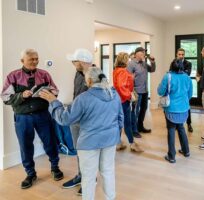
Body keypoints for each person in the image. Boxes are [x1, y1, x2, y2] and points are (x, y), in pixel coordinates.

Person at [40, 67, 123, 200]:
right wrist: (115, 135)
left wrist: (53, 101)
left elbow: (64, 119)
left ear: (89, 81)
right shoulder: (114, 94)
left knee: (88, 177)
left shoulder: (83, 98)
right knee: (108, 172)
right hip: (110, 140)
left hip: (89, 143)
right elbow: (120, 118)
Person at [1, 49, 64, 189]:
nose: (35, 61)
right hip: (22, 118)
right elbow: (5, 97)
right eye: (31, 59)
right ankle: (30, 174)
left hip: (42, 115)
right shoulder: (13, 76)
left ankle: (55, 167)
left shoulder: (44, 74)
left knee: (50, 142)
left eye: (36, 59)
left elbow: (55, 90)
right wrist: (21, 95)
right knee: (25, 146)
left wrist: (47, 92)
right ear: (22, 61)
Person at [62, 48, 93, 195]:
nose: (73, 63)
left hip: (88, 121)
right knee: (79, 150)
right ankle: (82, 175)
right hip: (76, 118)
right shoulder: (77, 74)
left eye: (75, 61)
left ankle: (89, 178)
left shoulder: (96, 75)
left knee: (88, 152)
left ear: (81, 62)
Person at [158, 59, 193, 163]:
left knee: (171, 129)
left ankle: (171, 156)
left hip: (171, 108)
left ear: (171, 66)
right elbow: (190, 94)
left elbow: (160, 91)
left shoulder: (168, 76)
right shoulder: (187, 77)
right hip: (184, 108)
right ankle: (186, 151)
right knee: (181, 127)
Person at [113, 52, 143, 152]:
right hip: (124, 100)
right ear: (124, 60)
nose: (129, 61)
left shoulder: (116, 70)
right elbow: (121, 86)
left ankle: (118, 143)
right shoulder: (122, 71)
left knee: (119, 122)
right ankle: (132, 143)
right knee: (127, 122)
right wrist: (129, 95)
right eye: (128, 59)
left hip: (118, 100)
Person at [127, 47, 156, 136]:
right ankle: (134, 130)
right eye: (142, 52)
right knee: (135, 111)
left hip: (144, 91)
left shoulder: (144, 63)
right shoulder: (131, 64)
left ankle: (140, 126)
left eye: (144, 52)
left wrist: (153, 62)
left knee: (143, 109)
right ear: (136, 54)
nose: (144, 54)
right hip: (136, 92)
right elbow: (128, 78)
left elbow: (152, 70)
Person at [173, 48, 193, 133]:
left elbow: (187, 73)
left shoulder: (188, 63)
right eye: (179, 54)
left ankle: (189, 124)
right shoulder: (174, 63)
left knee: (187, 107)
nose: (181, 56)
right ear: (176, 55)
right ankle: (176, 124)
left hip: (184, 88)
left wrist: (179, 72)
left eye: (182, 54)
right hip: (176, 88)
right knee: (176, 107)